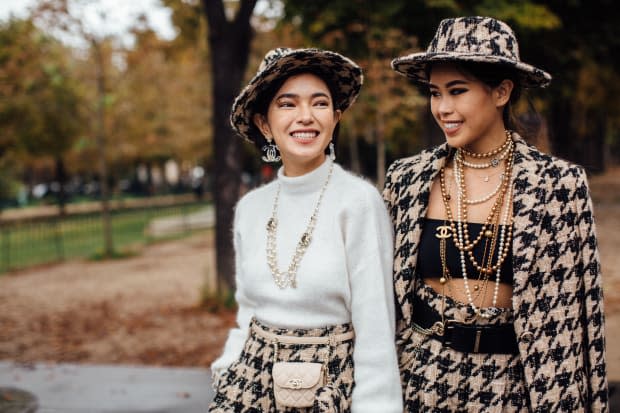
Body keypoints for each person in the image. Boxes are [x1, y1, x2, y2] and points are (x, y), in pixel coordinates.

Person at [383, 16, 609, 412]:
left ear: (502, 91)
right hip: (419, 379)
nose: (443, 108)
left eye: (457, 91)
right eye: (435, 93)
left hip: (514, 386)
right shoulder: (406, 179)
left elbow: (581, 317)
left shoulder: (560, 185)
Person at [209, 47, 403, 412]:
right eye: (287, 104)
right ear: (264, 124)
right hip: (249, 386)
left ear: (335, 116)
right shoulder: (250, 209)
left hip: (331, 388)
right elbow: (248, 310)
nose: (305, 117)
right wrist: (226, 369)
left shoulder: (359, 202)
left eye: (319, 103)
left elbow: (376, 329)